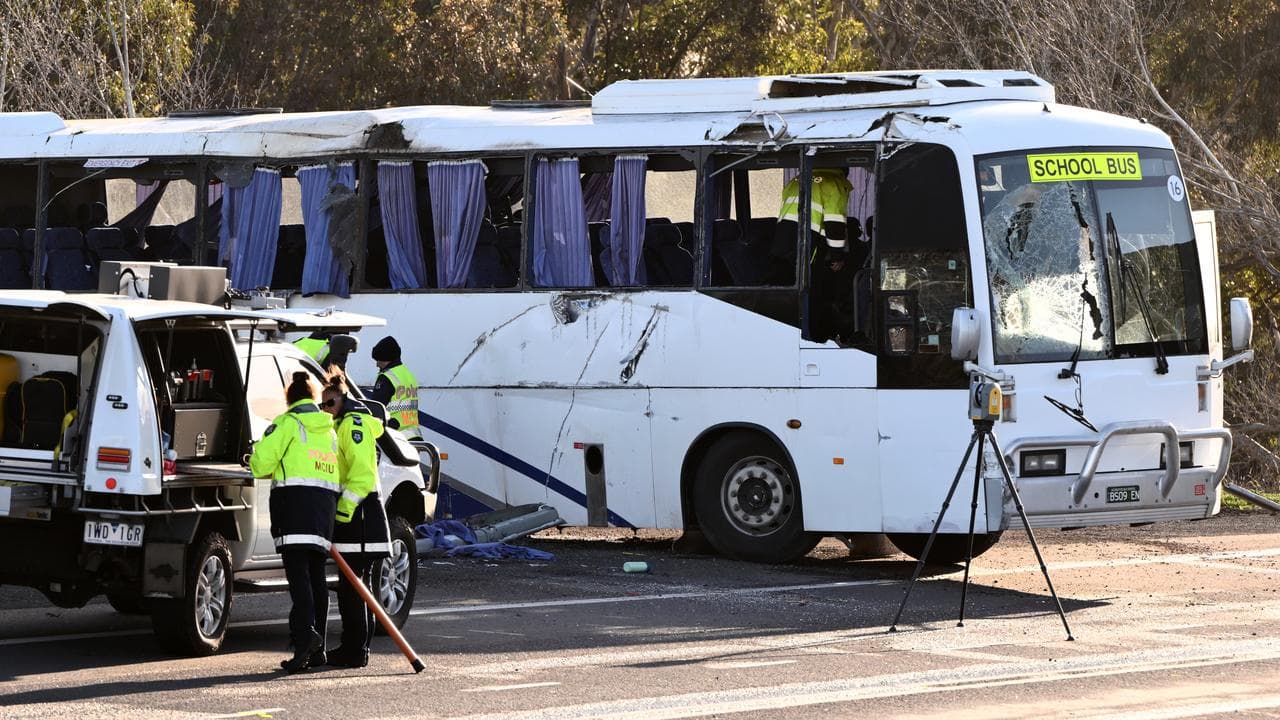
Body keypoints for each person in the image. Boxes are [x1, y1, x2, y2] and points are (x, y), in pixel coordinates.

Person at [249, 371, 341, 673]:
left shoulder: (287, 424)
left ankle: (304, 639)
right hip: (323, 510)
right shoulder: (329, 429)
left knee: (298, 577)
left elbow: (261, 464)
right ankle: (318, 649)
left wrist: (253, 456)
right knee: (316, 578)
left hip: (294, 507)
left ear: (289, 398)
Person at [320, 372, 392, 668]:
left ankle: (356, 650)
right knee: (353, 586)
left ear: (342, 398)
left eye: (329, 402)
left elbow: (361, 477)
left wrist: (342, 512)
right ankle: (354, 647)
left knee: (352, 588)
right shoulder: (341, 424)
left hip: (361, 516)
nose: (324, 408)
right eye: (321, 404)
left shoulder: (353, 426)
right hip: (357, 515)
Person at [368, 336, 421, 439]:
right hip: (414, 435)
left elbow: (376, 407)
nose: (377, 364)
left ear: (386, 358)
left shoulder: (387, 377)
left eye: (378, 360)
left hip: (395, 438)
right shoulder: (408, 374)